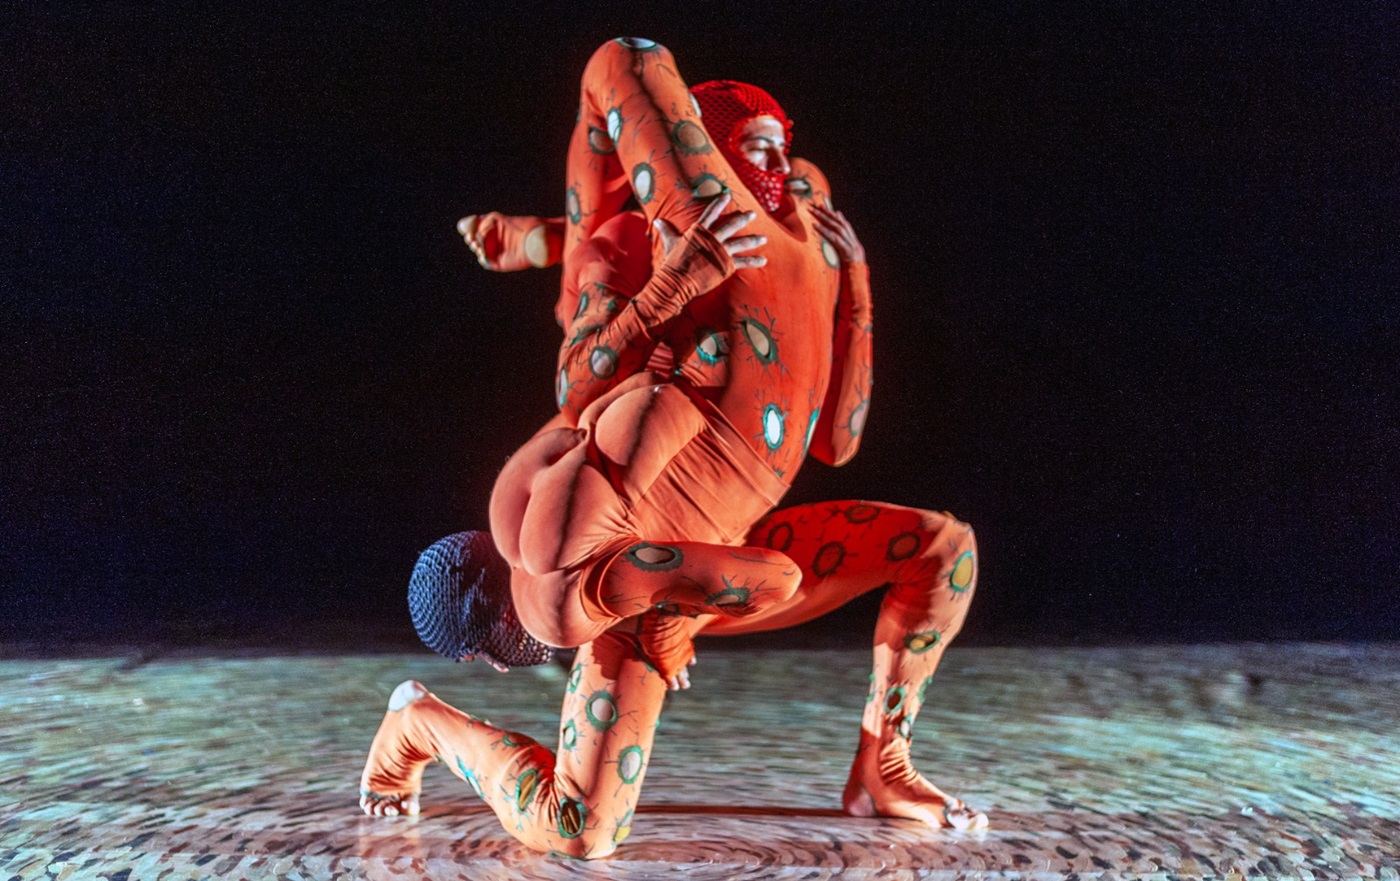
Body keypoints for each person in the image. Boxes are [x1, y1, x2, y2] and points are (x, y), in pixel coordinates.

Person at [360, 38, 984, 858]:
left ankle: (884, 763)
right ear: (702, 155)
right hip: (651, 586)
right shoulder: (644, 246)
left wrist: (857, 282)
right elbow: (580, 373)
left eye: (781, 146)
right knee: (580, 829)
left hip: (716, 556)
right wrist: (660, 284)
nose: (777, 162)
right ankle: (420, 725)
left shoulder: (810, 235)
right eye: (751, 146)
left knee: (944, 550)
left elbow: (838, 439)